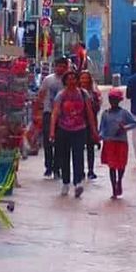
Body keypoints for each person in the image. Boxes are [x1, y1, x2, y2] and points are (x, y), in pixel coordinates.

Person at [49, 66, 100, 197]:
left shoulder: (83, 94)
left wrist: (94, 131)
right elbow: (55, 113)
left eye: (73, 79)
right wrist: (52, 131)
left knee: (78, 156)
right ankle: (66, 182)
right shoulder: (61, 95)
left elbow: (89, 113)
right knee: (64, 157)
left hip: (80, 129)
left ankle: (78, 182)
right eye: (69, 79)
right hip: (63, 130)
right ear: (65, 81)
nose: (71, 81)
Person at [99, 89, 136, 198]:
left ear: (119, 100)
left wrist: (124, 128)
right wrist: (100, 137)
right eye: (111, 99)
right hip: (109, 142)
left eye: (115, 99)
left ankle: (119, 180)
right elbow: (102, 128)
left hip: (121, 142)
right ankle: (113, 188)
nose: (113, 102)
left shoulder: (124, 113)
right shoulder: (105, 114)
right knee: (112, 166)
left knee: (121, 165)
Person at [37, 56, 68, 178]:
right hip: (48, 112)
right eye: (58, 66)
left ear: (66, 67)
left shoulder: (68, 80)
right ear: (55, 67)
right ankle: (48, 166)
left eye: (63, 66)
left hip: (63, 115)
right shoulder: (48, 80)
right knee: (47, 141)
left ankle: (57, 167)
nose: (60, 68)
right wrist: (38, 112)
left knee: (60, 142)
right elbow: (41, 95)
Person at [79, 69, 102, 180]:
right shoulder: (77, 92)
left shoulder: (93, 93)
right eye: (82, 78)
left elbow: (97, 107)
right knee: (78, 148)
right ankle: (81, 170)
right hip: (78, 123)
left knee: (90, 148)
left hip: (90, 122)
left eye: (86, 78)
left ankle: (91, 170)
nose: (84, 80)